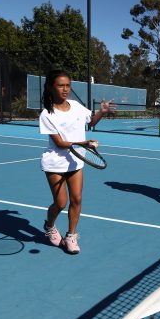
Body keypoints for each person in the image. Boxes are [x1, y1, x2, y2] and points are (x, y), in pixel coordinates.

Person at [39, 70, 113, 254]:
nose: (65, 89)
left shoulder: (76, 106)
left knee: (77, 199)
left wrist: (101, 112)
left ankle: (71, 236)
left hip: (76, 161)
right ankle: (49, 225)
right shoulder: (47, 114)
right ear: (50, 87)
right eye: (60, 85)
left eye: (68, 85)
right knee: (61, 203)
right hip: (55, 163)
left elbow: (92, 121)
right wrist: (84, 143)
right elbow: (60, 143)